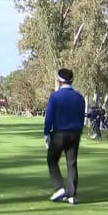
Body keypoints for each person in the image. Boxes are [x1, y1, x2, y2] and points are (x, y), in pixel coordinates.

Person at [43, 68, 86, 205]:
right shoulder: (79, 97)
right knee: (71, 163)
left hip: (59, 133)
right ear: (72, 80)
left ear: (59, 80)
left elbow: (49, 116)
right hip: (75, 134)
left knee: (52, 160)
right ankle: (72, 195)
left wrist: (46, 132)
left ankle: (59, 187)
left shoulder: (55, 96)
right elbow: (81, 117)